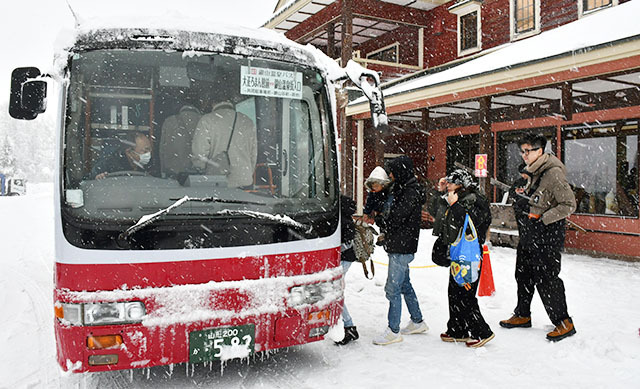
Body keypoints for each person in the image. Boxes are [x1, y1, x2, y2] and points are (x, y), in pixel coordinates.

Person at [499, 133, 577, 342]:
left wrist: (543, 218)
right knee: (523, 274)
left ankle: (563, 322)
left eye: (528, 151)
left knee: (546, 278)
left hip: (547, 235)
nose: (524, 155)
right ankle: (522, 314)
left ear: (540, 151)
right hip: (529, 233)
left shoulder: (553, 173)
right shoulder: (530, 172)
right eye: (522, 151)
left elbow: (569, 205)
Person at [432, 168, 494, 348]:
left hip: (470, 254)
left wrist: (455, 206)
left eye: (451, 182)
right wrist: (440, 192)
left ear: (461, 184)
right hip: (457, 252)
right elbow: (434, 211)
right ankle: (457, 329)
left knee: (465, 293)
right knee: (454, 291)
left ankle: (481, 332)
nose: (448, 184)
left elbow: (471, 224)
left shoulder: (476, 200)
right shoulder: (453, 198)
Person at [372, 156, 428, 345]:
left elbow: (397, 217)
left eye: (392, 171)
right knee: (404, 284)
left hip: (402, 246)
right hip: (400, 244)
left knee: (392, 288)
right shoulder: (403, 189)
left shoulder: (409, 192)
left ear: (401, 171)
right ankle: (417, 321)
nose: (390, 175)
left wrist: (382, 221)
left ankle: (393, 330)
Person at [191, 101, 257, 188]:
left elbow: (199, 155)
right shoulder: (248, 121)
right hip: (245, 183)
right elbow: (253, 156)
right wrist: (245, 173)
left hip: (217, 183)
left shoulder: (207, 120)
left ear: (213, 103)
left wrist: (203, 173)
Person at [335, 194, 359, 346]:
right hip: (345, 258)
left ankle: (349, 327)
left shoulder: (342, 221)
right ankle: (346, 326)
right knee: (336, 292)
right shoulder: (346, 218)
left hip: (344, 259)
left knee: (335, 292)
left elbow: (347, 243)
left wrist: (335, 250)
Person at [159, 99, 203, 178]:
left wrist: (163, 170)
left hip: (174, 172)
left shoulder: (169, 121)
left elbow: (162, 149)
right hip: (197, 175)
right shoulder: (204, 121)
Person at [362, 166, 391, 245]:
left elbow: (388, 204)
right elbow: (369, 203)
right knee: (380, 223)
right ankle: (382, 236)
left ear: (383, 185)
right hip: (378, 213)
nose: (374, 188)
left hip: (386, 214)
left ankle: (384, 236)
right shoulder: (372, 193)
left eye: (376, 186)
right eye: (373, 186)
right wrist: (366, 212)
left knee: (385, 224)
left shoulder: (387, 193)